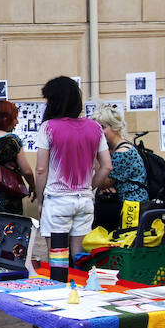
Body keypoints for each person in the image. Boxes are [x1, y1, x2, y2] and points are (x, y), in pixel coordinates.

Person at [35, 76, 111, 259]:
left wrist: (40, 200)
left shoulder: (48, 128)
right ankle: (80, 286)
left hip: (57, 200)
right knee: (79, 259)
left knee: (57, 259)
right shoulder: (95, 127)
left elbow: (41, 169)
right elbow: (106, 166)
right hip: (84, 200)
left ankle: (61, 286)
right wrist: (89, 187)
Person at [91, 102, 148, 231]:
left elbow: (104, 182)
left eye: (102, 127)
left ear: (115, 127)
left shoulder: (123, 152)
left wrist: (94, 155)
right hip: (123, 204)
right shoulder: (115, 148)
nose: (99, 132)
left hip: (131, 209)